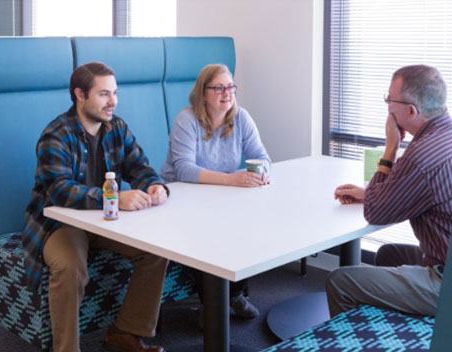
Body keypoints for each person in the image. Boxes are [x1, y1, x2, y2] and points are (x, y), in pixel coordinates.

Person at [23, 62, 169, 352]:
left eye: (114, 93)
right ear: (80, 94)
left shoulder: (117, 127)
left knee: (156, 251)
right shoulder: (56, 134)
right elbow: (60, 191)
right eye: (104, 94)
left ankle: (124, 333)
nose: (112, 101)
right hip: (61, 223)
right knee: (69, 267)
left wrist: (155, 185)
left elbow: (139, 166)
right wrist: (114, 199)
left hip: (107, 220)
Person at [328, 65, 452, 318]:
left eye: (390, 99)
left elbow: (376, 212)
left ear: (411, 111)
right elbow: (391, 196)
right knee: (388, 254)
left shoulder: (422, 157)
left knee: (340, 281)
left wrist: (390, 148)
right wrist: (368, 192)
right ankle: (391, 333)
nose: (387, 106)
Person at [160, 64, 271, 324]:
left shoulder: (241, 118)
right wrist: (232, 180)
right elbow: (184, 169)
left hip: (218, 196)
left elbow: (262, 156)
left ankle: (235, 294)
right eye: (219, 88)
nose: (227, 93)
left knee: (247, 223)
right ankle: (211, 304)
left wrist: (262, 172)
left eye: (231, 87)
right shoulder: (186, 120)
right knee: (204, 232)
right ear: (203, 93)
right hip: (180, 197)